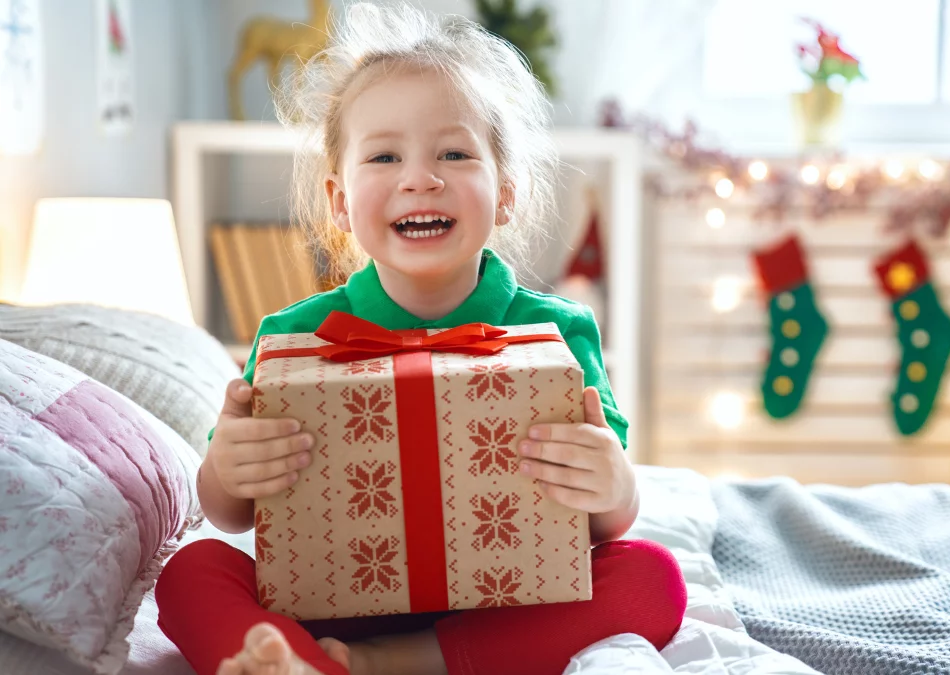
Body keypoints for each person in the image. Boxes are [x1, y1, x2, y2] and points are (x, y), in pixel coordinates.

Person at [155, 3, 686, 674]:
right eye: (383, 155)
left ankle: (386, 662)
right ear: (340, 203)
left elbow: (607, 525)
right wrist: (227, 472)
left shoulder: (557, 333)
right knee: (190, 570)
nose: (419, 177)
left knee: (653, 577)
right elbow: (230, 514)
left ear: (506, 194)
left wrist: (615, 486)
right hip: (332, 593)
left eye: (455, 153)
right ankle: (296, 663)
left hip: (507, 599)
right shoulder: (292, 337)